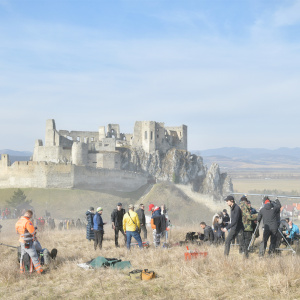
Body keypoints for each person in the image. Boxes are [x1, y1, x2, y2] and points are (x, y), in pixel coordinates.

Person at [15, 210, 43, 274]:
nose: (30, 217)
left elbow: (17, 232)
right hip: (28, 242)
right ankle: (39, 271)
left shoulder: (18, 221)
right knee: (34, 255)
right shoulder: (27, 222)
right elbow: (32, 232)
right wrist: (34, 229)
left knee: (22, 256)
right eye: (31, 216)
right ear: (29, 215)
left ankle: (22, 271)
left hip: (21, 241)